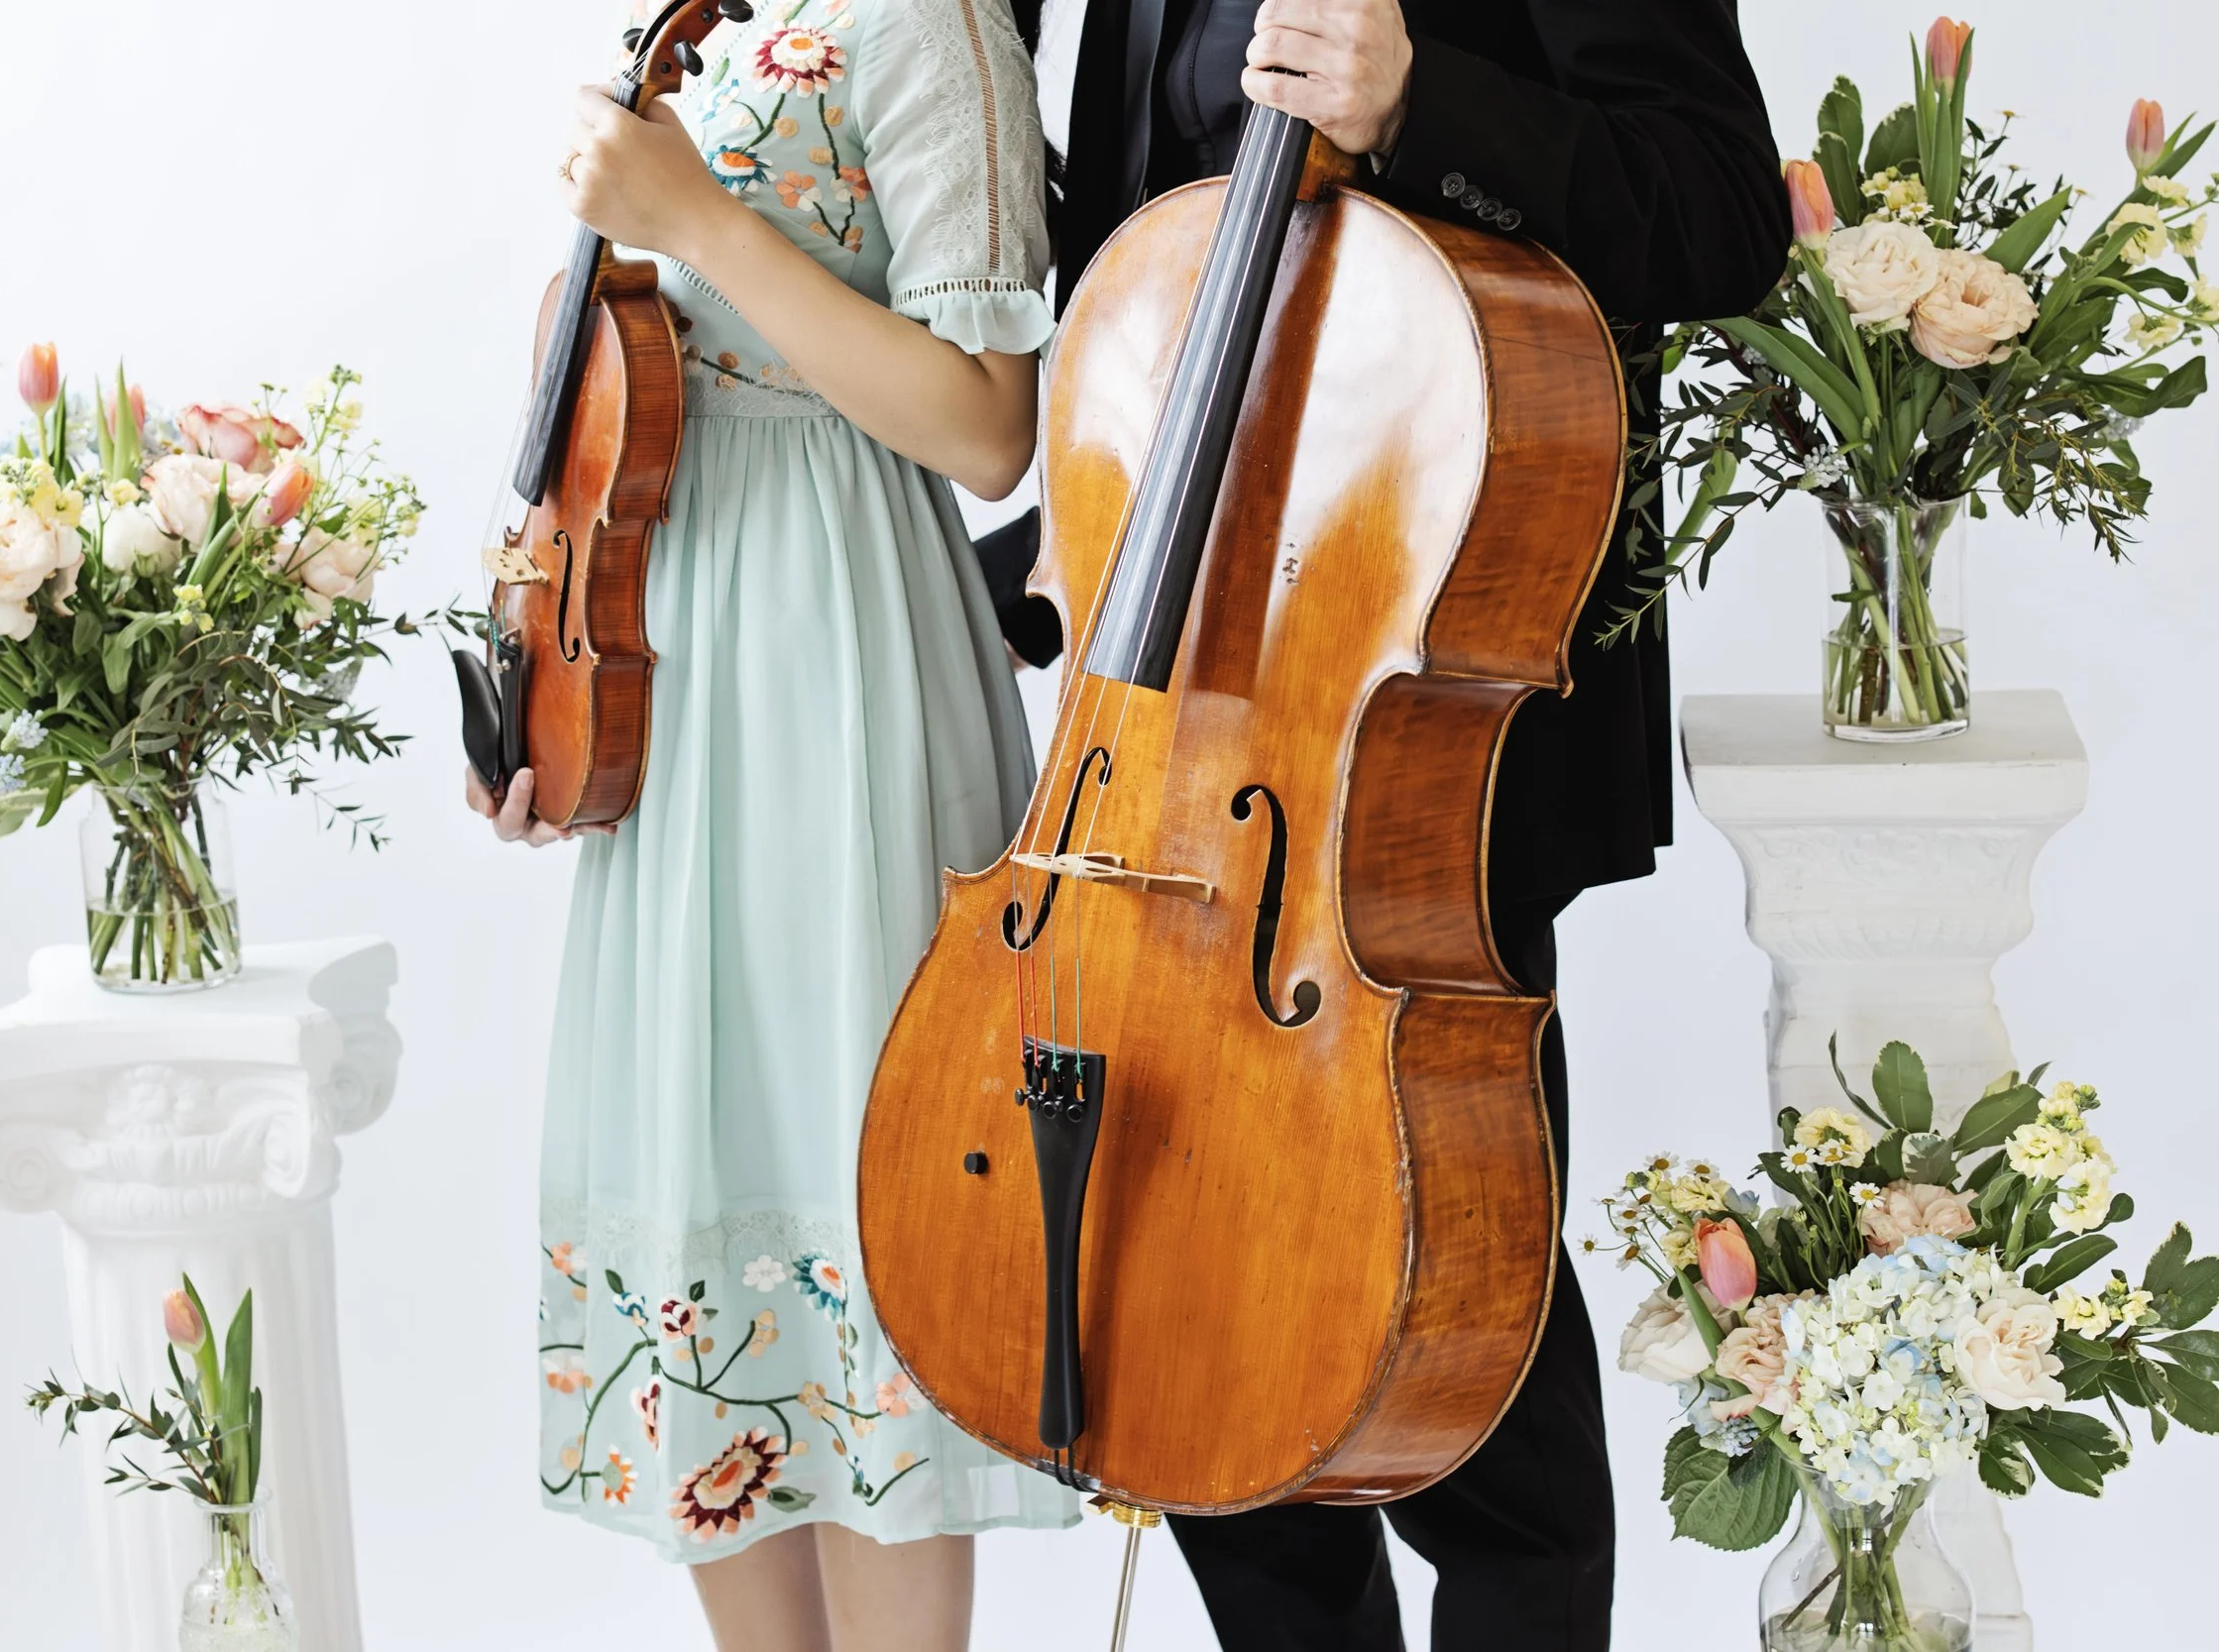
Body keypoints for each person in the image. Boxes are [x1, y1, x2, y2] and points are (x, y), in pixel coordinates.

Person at [976, 0, 1791, 1646]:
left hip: (1422, 707)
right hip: (1178, 718)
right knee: (1195, 1342)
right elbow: (1132, 258)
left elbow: (1722, 213)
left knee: (1476, 1406)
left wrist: (1428, 99)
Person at [468, 1, 1075, 1646]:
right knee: (706, 1204)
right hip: (670, 647)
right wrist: (541, 667)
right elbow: (620, 374)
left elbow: (985, 422)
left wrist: (696, 218)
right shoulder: (697, 19)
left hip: (838, 646)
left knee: (857, 1219)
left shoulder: (933, 23)